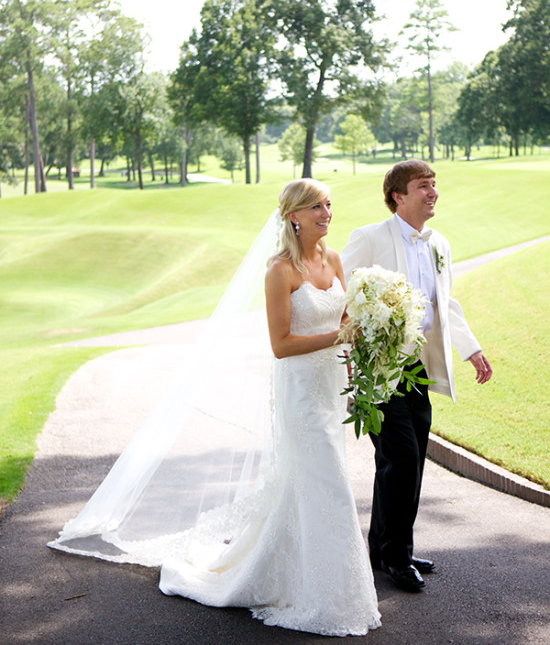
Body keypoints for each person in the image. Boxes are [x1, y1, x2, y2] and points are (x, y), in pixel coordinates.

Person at [50, 178, 380, 637]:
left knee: (312, 485)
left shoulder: (334, 259)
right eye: (317, 207)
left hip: (330, 389)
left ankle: (301, 575)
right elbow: (281, 345)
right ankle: (328, 596)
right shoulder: (279, 271)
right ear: (293, 216)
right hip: (300, 392)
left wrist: (368, 331)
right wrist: (338, 337)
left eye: (328, 205)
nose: (327, 213)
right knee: (331, 485)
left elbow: (341, 316)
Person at [341, 159, 493, 594]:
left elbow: (445, 304)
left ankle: (387, 548)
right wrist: (353, 342)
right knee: (402, 458)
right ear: (397, 196)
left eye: (434, 185)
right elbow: (340, 293)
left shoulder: (438, 242)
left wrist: (472, 349)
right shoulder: (369, 238)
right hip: (379, 370)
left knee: (403, 461)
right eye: (423, 186)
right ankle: (394, 557)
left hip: (419, 370)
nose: (433, 193)